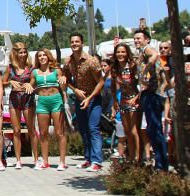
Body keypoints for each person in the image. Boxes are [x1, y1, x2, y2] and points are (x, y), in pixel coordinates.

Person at [62, 33, 105, 172]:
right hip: (80, 99)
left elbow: (101, 83)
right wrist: (75, 90)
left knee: (93, 129)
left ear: (82, 43)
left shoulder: (91, 61)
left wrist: (89, 97)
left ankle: (97, 160)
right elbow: (66, 79)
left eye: (77, 41)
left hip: (93, 98)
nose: (74, 44)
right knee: (83, 129)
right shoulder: (68, 62)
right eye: (72, 41)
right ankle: (88, 158)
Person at [133, 28, 169, 171]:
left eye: (139, 38)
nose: (136, 41)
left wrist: (145, 70)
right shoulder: (141, 52)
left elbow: (155, 55)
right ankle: (160, 163)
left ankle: (162, 165)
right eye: (135, 39)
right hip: (149, 93)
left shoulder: (147, 49)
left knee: (154, 129)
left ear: (146, 39)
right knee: (152, 129)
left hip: (153, 94)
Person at [32, 49, 67, 170]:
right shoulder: (35, 72)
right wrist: (26, 85)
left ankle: (62, 162)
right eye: (40, 56)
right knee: (43, 133)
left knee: (59, 132)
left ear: (48, 56)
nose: (42, 57)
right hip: (42, 102)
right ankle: (45, 161)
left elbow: (63, 83)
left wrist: (63, 81)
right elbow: (31, 86)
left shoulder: (56, 70)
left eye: (44, 55)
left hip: (56, 100)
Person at [5, 42, 36, 169]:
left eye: (24, 52)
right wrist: (10, 81)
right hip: (14, 99)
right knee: (16, 131)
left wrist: (31, 85)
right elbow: (1, 82)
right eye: (20, 52)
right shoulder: (10, 68)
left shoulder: (31, 68)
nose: (23, 55)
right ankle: (18, 160)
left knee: (31, 130)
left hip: (28, 99)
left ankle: (36, 159)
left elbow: (35, 83)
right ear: (15, 53)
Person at [110, 42, 142, 164]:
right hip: (122, 100)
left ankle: (138, 158)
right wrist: (114, 101)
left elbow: (143, 82)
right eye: (118, 52)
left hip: (134, 99)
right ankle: (131, 156)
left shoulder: (133, 66)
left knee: (134, 130)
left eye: (123, 52)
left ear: (127, 53)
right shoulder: (115, 68)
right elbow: (113, 86)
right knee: (127, 130)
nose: (120, 54)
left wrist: (138, 97)